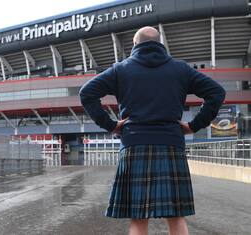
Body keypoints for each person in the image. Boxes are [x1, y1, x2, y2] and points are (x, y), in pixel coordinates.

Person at [79, 26, 226, 235]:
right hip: (171, 144)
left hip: (134, 144)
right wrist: (194, 125)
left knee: (139, 217)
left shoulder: (121, 69)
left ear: (135, 44)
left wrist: (111, 125)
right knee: (176, 215)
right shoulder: (180, 69)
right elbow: (217, 92)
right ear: (160, 44)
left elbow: (87, 93)